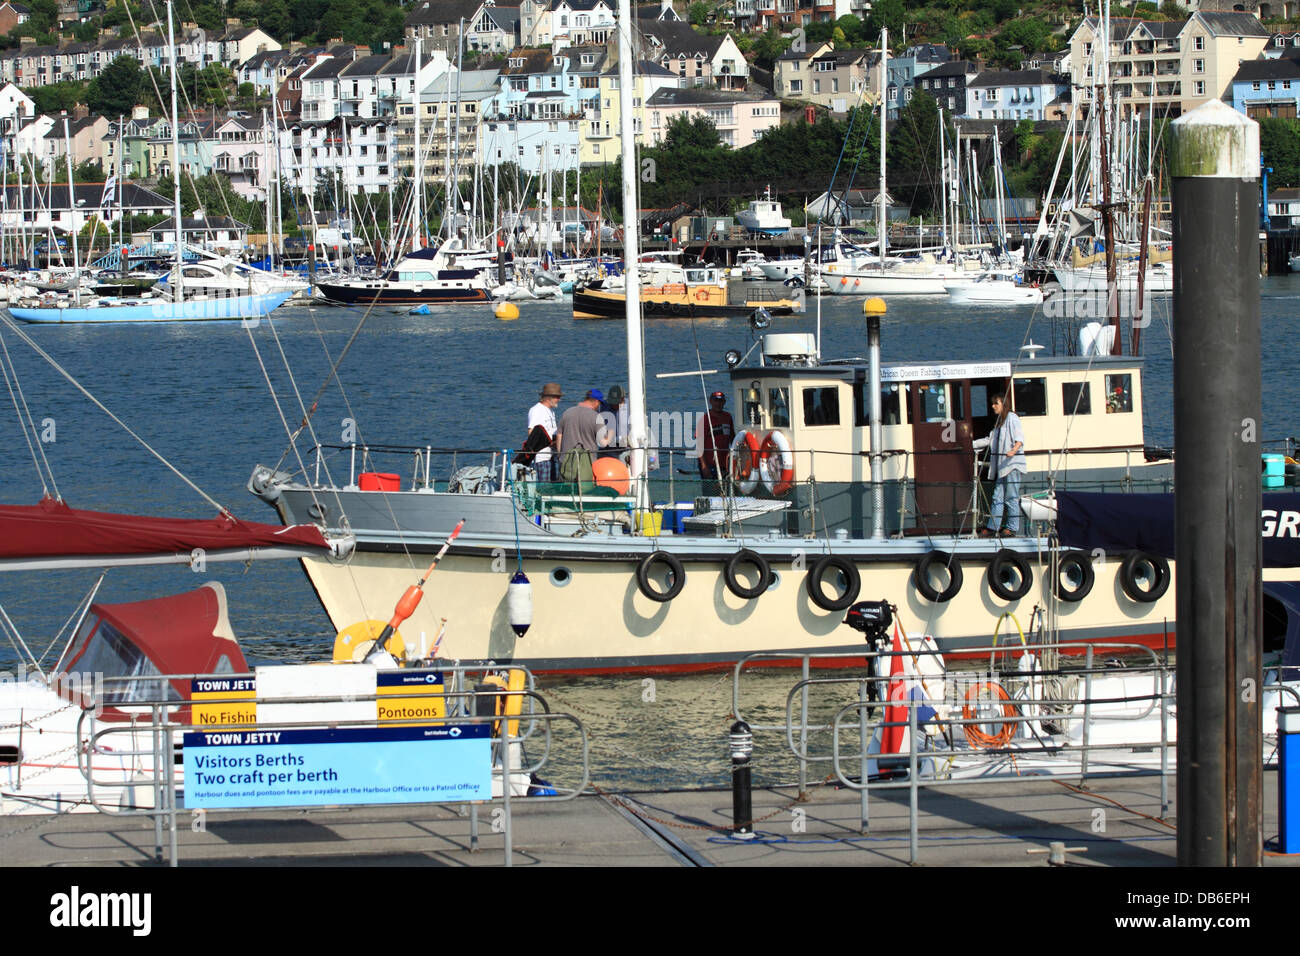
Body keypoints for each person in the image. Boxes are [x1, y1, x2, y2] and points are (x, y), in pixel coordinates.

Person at [973, 393, 1026, 537]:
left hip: (1012, 465)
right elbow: (989, 440)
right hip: (1003, 466)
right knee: (997, 497)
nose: (993, 406)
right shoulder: (999, 423)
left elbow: (1019, 438)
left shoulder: (1012, 418)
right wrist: (970, 445)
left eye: (996, 403)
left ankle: (1012, 528)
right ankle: (993, 527)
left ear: (1003, 404)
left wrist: (1013, 450)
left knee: (1011, 497)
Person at [557, 388, 610, 484]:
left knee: (565, 493)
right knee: (585, 494)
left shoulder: (567, 412)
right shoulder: (596, 417)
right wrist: (611, 434)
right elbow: (603, 443)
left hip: (566, 463)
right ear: (596, 402)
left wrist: (560, 455)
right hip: (587, 466)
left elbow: (559, 435)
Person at [522, 382, 562, 481]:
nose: (559, 400)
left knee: (552, 486)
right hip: (541, 458)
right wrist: (547, 443)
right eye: (557, 397)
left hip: (552, 455)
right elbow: (532, 433)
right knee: (543, 487)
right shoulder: (537, 410)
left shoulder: (551, 411)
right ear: (549, 398)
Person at [695, 390, 735, 480]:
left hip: (725, 463)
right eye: (716, 400)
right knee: (711, 491)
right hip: (710, 464)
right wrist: (704, 466)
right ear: (711, 401)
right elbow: (699, 444)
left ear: (724, 402)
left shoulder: (728, 417)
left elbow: (733, 438)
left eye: (720, 401)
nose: (718, 403)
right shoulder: (704, 419)